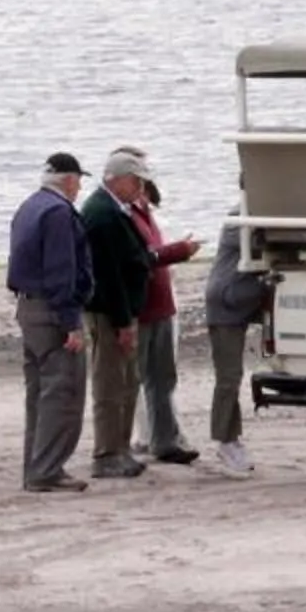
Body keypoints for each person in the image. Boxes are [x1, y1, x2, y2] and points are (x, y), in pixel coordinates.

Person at [9, 151, 95, 494]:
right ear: (69, 180)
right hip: (51, 311)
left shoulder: (30, 206)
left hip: (28, 307)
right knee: (63, 392)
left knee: (39, 393)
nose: (78, 189)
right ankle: (47, 469)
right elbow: (61, 270)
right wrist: (70, 322)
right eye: (78, 182)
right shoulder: (59, 213)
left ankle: (35, 466)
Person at [113, 148, 205, 466]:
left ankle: (164, 438)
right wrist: (179, 250)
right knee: (139, 378)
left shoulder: (142, 211)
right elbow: (144, 257)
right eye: (138, 178)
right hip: (145, 306)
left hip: (161, 304)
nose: (143, 185)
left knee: (162, 377)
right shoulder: (124, 215)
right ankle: (140, 438)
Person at [80, 149, 158, 481]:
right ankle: (107, 452)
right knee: (111, 383)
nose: (140, 187)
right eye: (136, 181)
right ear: (120, 179)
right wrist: (123, 321)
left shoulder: (114, 209)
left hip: (121, 310)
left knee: (127, 381)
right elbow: (109, 275)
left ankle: (120, 448)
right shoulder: (102, 214)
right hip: (109, 313)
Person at [203, 216, 270, 476]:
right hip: (225, 306)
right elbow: (259, 244)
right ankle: (224, 440)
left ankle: (232, 438)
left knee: (233, 376)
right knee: (228, 377)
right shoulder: (238, 220)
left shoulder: (258, 215)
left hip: (242, 303)